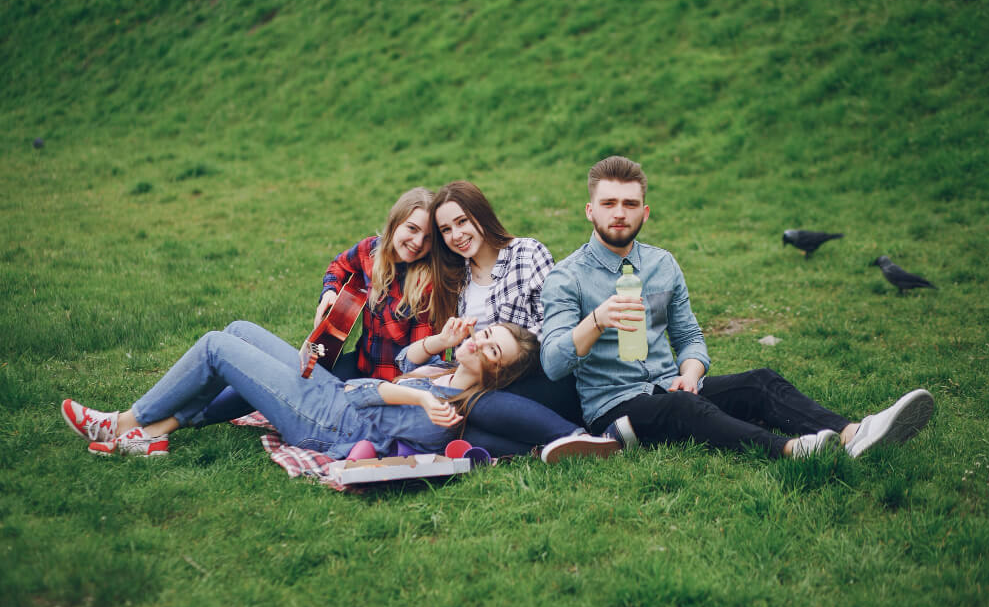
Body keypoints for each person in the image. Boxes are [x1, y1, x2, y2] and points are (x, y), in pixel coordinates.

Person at [538, 156, 935, 462]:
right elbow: (553, 362)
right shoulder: (567, 277)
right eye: (608, 203)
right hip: (615, 408)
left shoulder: (662, 265)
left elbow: (689, 338)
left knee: (759, 381)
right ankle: (792, 450)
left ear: (645, 212)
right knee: (684, 407)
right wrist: (596, 321)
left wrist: (690, 373)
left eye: (630, 203)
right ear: (590, 210)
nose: (619, 213)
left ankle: (854, 433)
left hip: (671, 386)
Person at [60, 319, 618, 459]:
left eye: (492, 350)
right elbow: (393, 368)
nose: (479, 343)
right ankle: (158, 430)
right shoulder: (441, 372)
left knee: (215, 347)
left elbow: (360, 397)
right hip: (331, 396)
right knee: (239, 331)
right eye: (486, 334)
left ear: (497, 373)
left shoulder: (468, 402)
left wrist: (583, 437)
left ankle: (125, 422)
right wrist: (434, 356)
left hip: (327, 422)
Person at [197, 188, 437, 425]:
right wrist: (330, 293)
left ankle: (195, 414)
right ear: (395, 222)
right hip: (360, 364)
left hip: (393, 388)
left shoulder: (427, 284)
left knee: (301, 399)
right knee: (292, 378)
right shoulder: (370, 251)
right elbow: (339, 266)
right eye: (412, 228)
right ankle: (197, 413)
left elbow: (418, 364)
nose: (418, 242)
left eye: (428, 238)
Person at [428, 181, 582, 424]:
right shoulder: (455, 278)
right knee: (465, 413)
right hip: (481, 384)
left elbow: (554, 327)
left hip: (534, 377)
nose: (456, 235)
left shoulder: (528, 253)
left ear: (481, 214)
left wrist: (508, 356)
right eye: (446, 230)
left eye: (462, 221)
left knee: (476, 407)